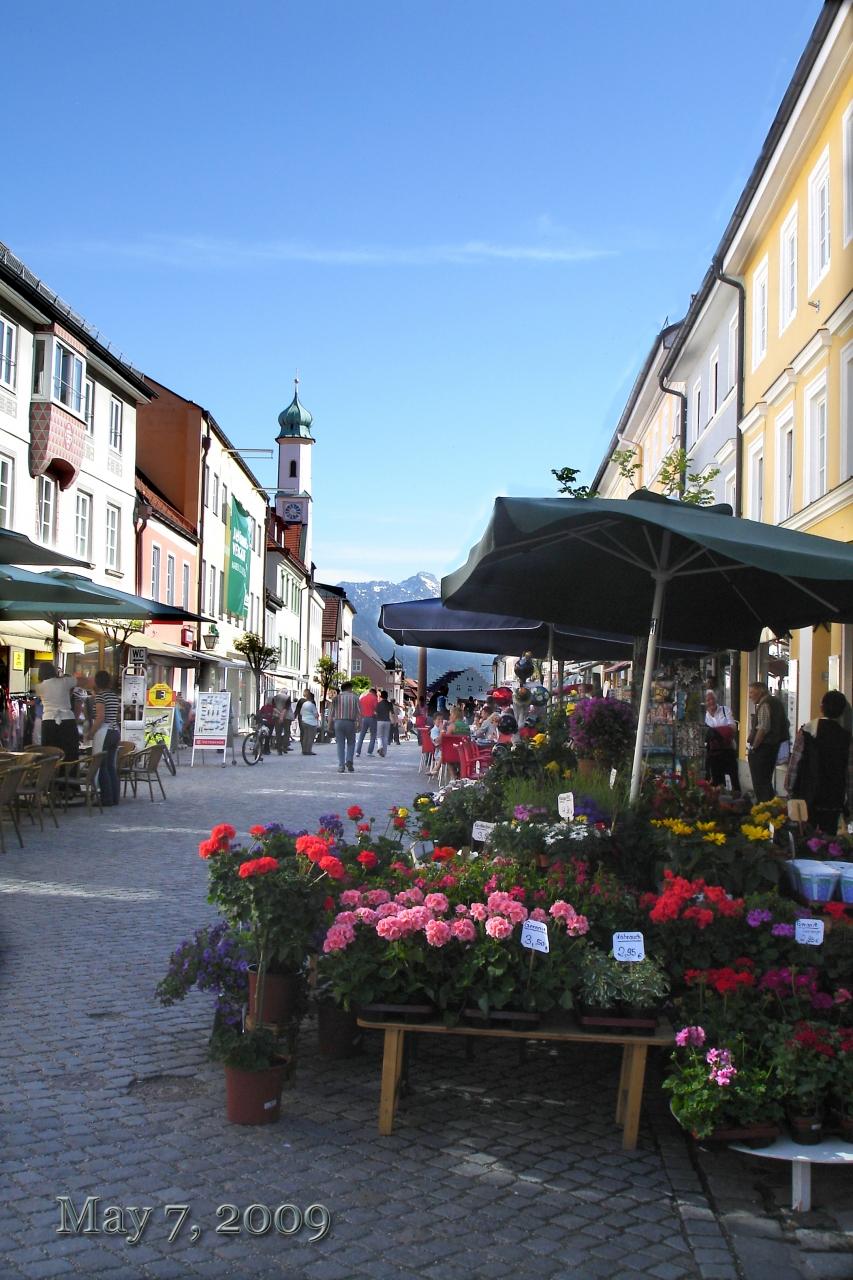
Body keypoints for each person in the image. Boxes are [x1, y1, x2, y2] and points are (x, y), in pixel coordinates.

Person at [786, 690, 853, 834]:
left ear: (821, 707)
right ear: (842, 712)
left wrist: (790, 788)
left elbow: (795, 764)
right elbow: (849, 773)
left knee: (805, 835)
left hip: (807, 794)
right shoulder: (846, 737)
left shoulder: (806, 731)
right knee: (829, 837)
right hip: (834, 797)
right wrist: (849, 803)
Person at [747, 681, 790, 802]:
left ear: (760, 691)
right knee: (766, 781)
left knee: (760, 782)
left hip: (764, 748)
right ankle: (770, 807)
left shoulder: (765, 703)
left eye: (751, 692)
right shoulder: (776, 702)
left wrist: (754, 747)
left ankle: (764, 807)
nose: (750, 696)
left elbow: (763, 728)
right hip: (773, 746)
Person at [35, 661, 79, 762]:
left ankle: (52, 771)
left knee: (50, 753)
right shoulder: (64, 682)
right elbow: (78, 681)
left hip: (48, 721)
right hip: (67, 720)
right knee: (70, 752)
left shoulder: (39, 687)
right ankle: (69, 771)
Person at [89, 670, 121, 806]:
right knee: (111, 766)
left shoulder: (100, 696)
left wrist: (91, 732)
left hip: (104, 732)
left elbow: (100, 717)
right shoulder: (113, 696)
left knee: (102, 765)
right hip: (115, 731)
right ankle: (114, 797)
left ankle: (106, 798)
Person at [703, 690, 738, 789]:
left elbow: (733, 728)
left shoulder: (725, 710)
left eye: (712, 699)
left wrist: (715, 732)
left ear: (716, 699)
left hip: (728, 750)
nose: (711, 701)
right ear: (705, 702)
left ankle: (734, 795)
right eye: (708, 700)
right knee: (716, 780)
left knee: (733, 778)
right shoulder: (705, 716)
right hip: (713, 753)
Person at [330, 681, 361, 773]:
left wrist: (329, 726)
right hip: (350, 722)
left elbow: (331, 714)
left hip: (338, 722)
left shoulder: (336, 698)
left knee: (340, 744)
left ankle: (341, 766)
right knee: (351, 743)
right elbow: (359, 713)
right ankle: (349, 760)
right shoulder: (355, 697)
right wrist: (360, 724)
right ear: (350, 688)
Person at [356, 687, 378, 758]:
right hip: (372, 718)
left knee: (361, 735)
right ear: (374, 693)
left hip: (363, 718)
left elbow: (359, 709)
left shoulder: (362, 698)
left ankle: (358, 752)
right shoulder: (374, 698)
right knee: (373, 735)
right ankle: (369, 752)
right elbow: (376, 708)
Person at [375, 690, 393, 757]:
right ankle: (384, 753)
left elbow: (375, 713)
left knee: (379, 736)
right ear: (387, 696)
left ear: (381, 696)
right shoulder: (389, 704)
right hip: (387, 721)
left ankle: (380, 747)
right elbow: (392, 713)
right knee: (385, 737)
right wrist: (393, 721)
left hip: (379, 721)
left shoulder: (378, 704)